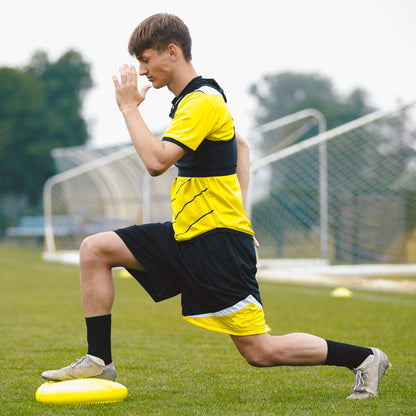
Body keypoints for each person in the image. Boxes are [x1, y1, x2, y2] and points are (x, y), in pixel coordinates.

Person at [42, 13, 391, 400]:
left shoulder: (201, 102)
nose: (142, 71)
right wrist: (245, 218)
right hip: (187, 233)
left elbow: (157, 162)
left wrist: (128, 108)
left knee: (260, 351)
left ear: (171, 53)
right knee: (95, 249)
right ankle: (98, 359)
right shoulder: (194, 100)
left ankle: (365, 358)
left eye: (146, 59)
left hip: (216, 244)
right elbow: (241, 147)